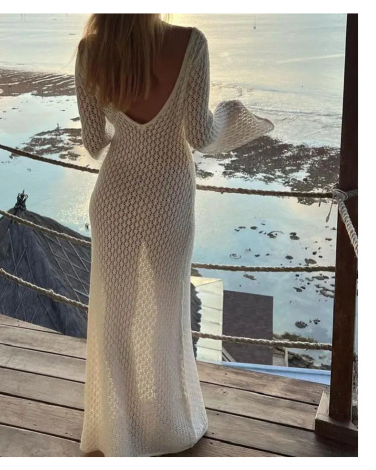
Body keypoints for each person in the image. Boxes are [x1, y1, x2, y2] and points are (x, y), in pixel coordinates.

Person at [75, 14, 273, 458]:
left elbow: (94, 142)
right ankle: (165, 420)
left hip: (114, 197)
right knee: (168, 310)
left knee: (116, 315)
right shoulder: (190, 42)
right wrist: (233, 114)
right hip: (169, 197)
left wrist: (123, 114)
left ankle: (121, 427)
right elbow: (200, 136)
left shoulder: (90, 51)